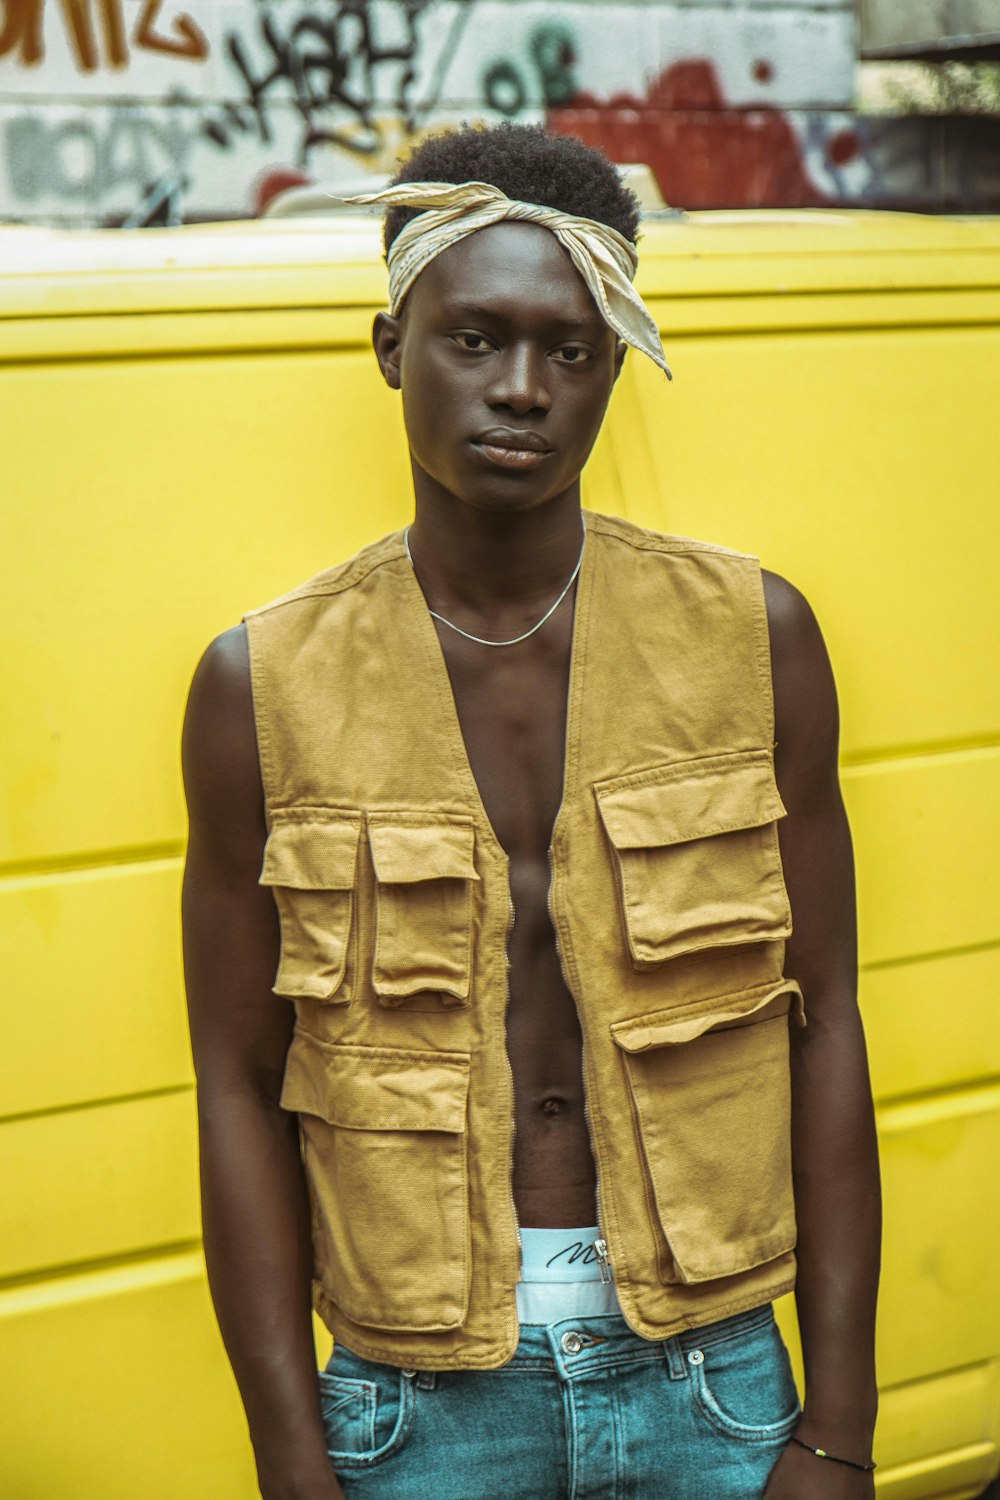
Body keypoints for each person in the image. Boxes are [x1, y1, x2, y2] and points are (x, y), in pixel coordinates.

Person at [182, 122, 880, 1500]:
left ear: (615, 372)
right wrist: (288, 1459)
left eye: (570, 352)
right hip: (411, 1402)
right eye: (475, 340)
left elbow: (830, 1017)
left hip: (715, 1377)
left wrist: (839, 1427)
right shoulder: (259, 685)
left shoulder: (755, 639)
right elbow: (236, 1084)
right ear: (394, 346)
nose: (522, 389)